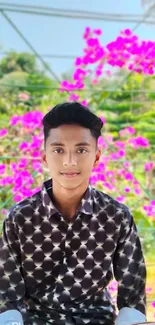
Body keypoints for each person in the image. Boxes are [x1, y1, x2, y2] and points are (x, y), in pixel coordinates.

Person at [0, 102, 147, 325]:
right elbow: (8, 299)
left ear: (96, 157)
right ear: (45, 156)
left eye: (81, 150)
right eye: (58, 150)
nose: (70, 161)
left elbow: (132, 299)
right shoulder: (19, 219)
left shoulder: (117, 217)